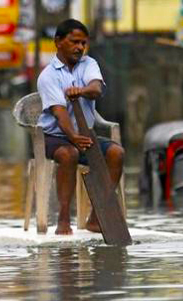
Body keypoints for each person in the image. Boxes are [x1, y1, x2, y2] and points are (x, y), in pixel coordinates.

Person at [37, 18, 124, 235]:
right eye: (74, 42)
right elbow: (60, 113)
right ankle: (64, 217)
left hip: (84, 135)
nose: (79, 47)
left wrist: (81, 91)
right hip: (54, 136)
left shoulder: (89, 64)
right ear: (58, 41)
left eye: (83, 43)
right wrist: (73, 137)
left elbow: (95, 88)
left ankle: (96, 217)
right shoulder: (48, 76)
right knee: (69, 155)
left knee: (116, 153)